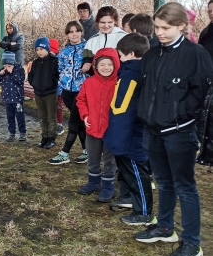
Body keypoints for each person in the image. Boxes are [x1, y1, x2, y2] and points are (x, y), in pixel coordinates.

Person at [134, 1, 213, 256]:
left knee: (184, 186)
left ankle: (191, 242)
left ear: (181, 26)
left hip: (179, 132)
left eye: (166, 28)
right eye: (157, 27)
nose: (160, 33)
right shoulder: (153, 53)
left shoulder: (196, 54)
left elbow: (201, 93)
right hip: (153, 130)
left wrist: (179, 114)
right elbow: (145, 88)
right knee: (164, 182)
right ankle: (165, 227)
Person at [103, 33, 155, 225]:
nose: (119, 59)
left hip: (130, 135)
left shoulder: (132, 75)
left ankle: (144, 212)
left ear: (131, 54)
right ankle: (128, 198)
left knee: (137, 174)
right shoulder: (134, 72)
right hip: (125, 133)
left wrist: (117, 136)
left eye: (121, 55)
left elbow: (122, 109)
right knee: (126, 171)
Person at [76, 48, 120, 202]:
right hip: (92, 128)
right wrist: (85, 115)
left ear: (116, 65)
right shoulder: (89, 82)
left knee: (110, 159)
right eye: (102, 64)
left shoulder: (119, 83)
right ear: (95, 66)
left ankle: (108, 186)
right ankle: (94, 182)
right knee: (93, 157)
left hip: (111, 131)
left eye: (110, 64)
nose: (106, 67)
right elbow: (81, 100)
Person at [48, 21, 89, 165]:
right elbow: (60, 70)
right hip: (67, 91)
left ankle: (64, 153)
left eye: (77, 31)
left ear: (81, 32)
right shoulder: (63, 52)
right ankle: (87, 150)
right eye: (71, 32)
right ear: (67, 34)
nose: (74, 34)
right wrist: (61, 88)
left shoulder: (88, 48)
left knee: (73, 122)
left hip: (82, 91)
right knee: (79, 122)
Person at [28, 37, 59, 149]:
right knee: (42, 117)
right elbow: (31, 76)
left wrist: (51, 84)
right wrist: (34, 84)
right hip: (38, 93)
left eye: (41, 49)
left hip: (50, 93)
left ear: (47, 48)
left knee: (51, 117)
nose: (39, 52)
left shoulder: (54, 61)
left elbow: (58, 75)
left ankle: (51, 138)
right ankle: (44, 137)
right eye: (37, 50)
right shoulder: (35, 63)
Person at [82, 6, 127, 74]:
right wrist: (87, 62)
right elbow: (87, 59)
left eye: (110, 22)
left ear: (115, 21)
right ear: (97, 22)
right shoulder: (92, 40)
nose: (106, 25)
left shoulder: (124, 37)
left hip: (119, 77)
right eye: (103, 22)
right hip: (98, 78)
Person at [0, 51, 27, 141]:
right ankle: (12, 132)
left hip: (17, 98)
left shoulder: (19, 69)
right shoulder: (3, 70)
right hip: (7, 98)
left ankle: (22, 133)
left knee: (20, 116)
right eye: (5, 66)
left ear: (13, 63)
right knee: (10, 117)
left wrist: (12, 73)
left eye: (9, 66)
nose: (6, 68)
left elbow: (20, 81)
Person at [49, 38, 65, 136]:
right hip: (49, 89)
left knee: (58, 107)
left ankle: (59, 124)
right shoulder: (45, 59)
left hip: (58, 88)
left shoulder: (60, 58)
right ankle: (51, 124)